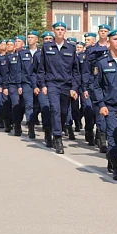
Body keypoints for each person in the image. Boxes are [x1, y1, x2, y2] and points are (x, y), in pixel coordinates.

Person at [92, 29, 117, 180]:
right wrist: (101, 104)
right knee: (113, 135)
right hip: (109, 105)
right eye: (115, 39)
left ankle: (112, 156)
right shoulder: (101, 62)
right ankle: (116, 166)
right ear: (109, 42)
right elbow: (97, 86)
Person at [37, 22, 80, 154]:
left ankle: (55, 130)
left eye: (62, 29)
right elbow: (41, 69)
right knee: (55, 109)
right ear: (53, 31)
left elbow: (76, 71)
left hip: (66, 85)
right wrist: (43, 85)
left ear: (65, 31)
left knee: (63, 112)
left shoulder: (71, 48)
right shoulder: (46, 47)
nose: (60, 31)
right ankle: (58, 138)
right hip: (52, 83)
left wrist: (74, 87)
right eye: (58, 29)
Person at [84, 24, 112, 153]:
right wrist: (85, 86)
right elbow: (86, 70)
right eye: (101, 31)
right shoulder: (91, 50)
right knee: (96, 113)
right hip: (94, 84)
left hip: (109, 85)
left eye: (105, 31)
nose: (103, 33)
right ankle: (100, 138)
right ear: (98, 33)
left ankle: (102, 137)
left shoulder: (112, 47)